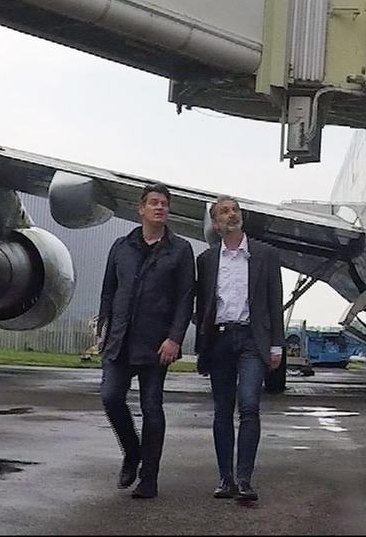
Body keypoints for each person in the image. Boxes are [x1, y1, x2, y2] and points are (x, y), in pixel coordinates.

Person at [97, 183, 195, 498]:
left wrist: (175, 338)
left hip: (157, 343)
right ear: (141, 209)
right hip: (119, 339)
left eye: (164, 203)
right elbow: (109, 291)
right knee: (111, 397)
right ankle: (132, 452)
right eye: (153, 202)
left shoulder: (180, 250)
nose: (159, 207)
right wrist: (103, 327)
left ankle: (149, 478)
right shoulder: (121, 246)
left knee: (151, 407)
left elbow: (185, 299)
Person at [195, 195, 284, 505]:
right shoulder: (207, 260)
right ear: (215, 223)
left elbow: (275, 301)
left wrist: (276, 344)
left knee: (248, 405)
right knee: (222, 410)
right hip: (219, 340)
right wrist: (202, 346)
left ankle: (244, 478)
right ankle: (226, 478)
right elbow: (202, 306)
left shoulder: (265, 255)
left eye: (235, 210)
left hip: (251, 340)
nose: (231, 215)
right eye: (224, 212)